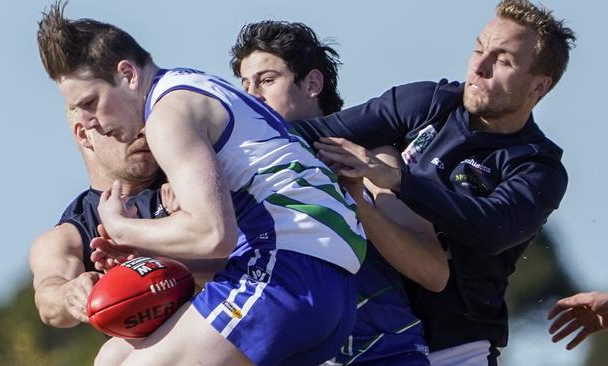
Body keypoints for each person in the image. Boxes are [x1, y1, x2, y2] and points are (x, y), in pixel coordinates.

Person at [37, 2, 366, 366]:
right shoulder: (190, 85)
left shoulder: (166, 115)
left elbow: (213, 234)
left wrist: (120, 227)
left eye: (91, 101)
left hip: (287, 271)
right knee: (113, 357)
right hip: (323, 280)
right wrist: (150, 253)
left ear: (128, 74)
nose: (90, 121)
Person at [291, 0, 575, 364]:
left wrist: (396, 180)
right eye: (478, 49)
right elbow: (311, 135)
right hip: (363, 336)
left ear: (539, 86)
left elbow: (491, 227)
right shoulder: (427, 103)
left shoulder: (538, 166)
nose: (479, 67)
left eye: (503, 61)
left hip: (453, 351)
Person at [231, 20, 447, 365]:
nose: (252, 96)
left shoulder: (372, 159)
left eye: (267, 81)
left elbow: (433, 273)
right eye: (245, 86)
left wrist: (358, 200)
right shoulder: (241, 177)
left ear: (312, 83)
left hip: (386, 356)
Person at [29, 108, 165, 327]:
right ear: (84, 134)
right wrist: (70, 293)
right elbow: (49, 301)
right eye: (126, 120)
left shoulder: (187, 181)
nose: (142, 130)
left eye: (146, 118)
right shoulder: (67, 237)